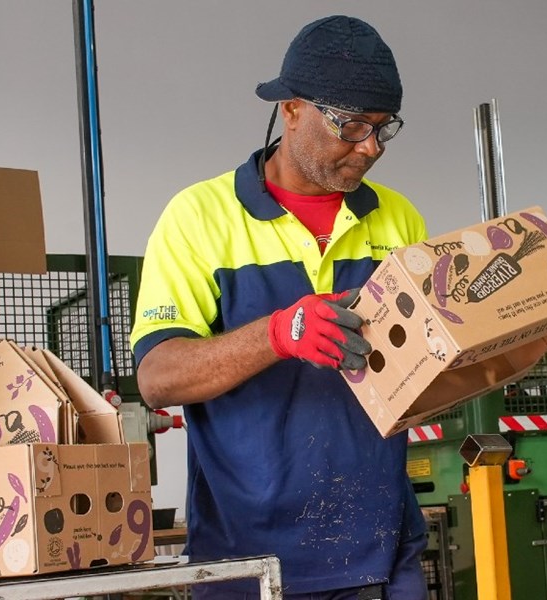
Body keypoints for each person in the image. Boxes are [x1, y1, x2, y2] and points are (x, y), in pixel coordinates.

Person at [129, 15, 428, 600]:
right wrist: (277, 334)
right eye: (350, 125)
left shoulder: (399, 219)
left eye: (382, 128)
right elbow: (158, 378)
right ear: (291, 109)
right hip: (249, 564)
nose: (370, 147)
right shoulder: (199, 218)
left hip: (383, 552)